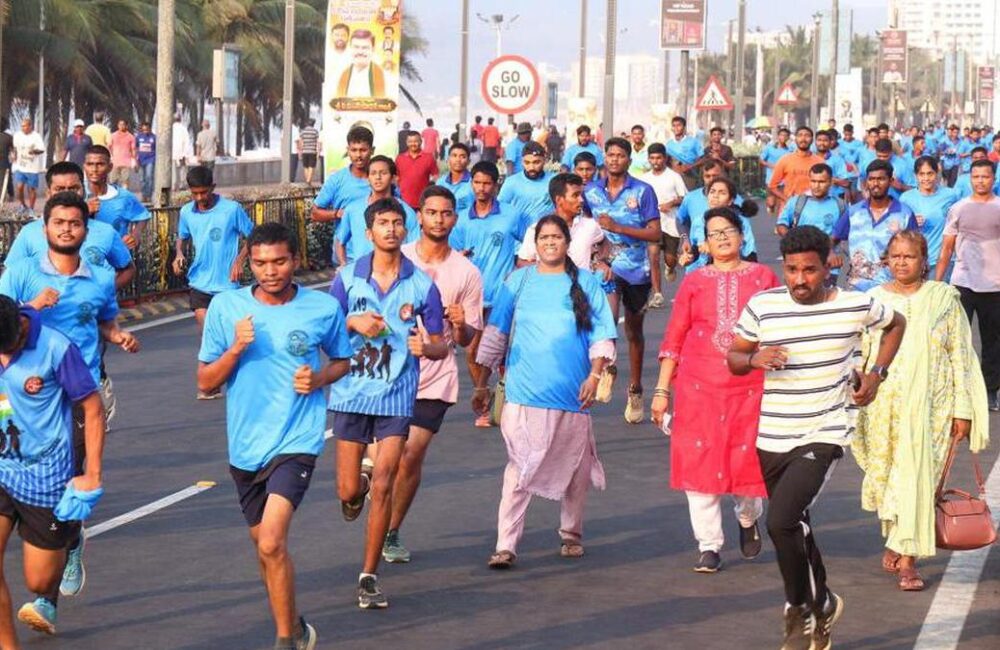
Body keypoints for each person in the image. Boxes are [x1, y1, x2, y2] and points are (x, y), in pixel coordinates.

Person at [728, 225, 905, 650]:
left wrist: (876, 375)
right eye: (792, 270)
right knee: (797, 526)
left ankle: (799, 611)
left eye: (810, 270)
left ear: (828, 266)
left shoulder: (855, 304)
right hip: (772, 433)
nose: (800, 280)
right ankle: (824, 602)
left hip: (824, 431)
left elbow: (896, 323)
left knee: (781, 520)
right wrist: (754, 358)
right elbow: (734, 357)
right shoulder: (763, 306)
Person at [198, 222, 351, 649]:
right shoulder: (226, 309)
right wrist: (235, 348)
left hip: (297, 440)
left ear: (295, 260)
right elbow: (206, 381)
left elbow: (342, 361)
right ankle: (297, 626)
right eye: (261, 263)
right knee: (265, 551)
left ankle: (286, 641)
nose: (270, 271)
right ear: (249, 262)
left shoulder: (321, 308)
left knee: (271, 541)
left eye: (280, 261)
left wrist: (319, 378)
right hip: (246, 445)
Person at [0, 192, 138, 614]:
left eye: (74, 223)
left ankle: (61, 554)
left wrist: (117, 336)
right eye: (58, 222)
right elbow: (4, 316)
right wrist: (33, 306)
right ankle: (60, 538)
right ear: (45, 229)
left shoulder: (98, 277)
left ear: (85, 229)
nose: (66, 229)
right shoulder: (21, 271)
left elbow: (103, 320)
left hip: (80, 391)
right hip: (27, 390)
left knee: (72, 477)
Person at [472, 215, 617, 568]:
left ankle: (572, 533)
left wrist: (595, 377)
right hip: (522, 394)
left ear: (568, 242)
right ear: (534, 244)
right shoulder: (517, 282)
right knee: (520, 468)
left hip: (573, 394)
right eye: (543, 237)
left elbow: (602, 334)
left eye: (556, 237)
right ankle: (506, 545)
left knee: (576, 469)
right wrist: (481, 383)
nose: (550, 243)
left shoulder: (587, 283)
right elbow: (496, 334)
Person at [853, 231, 989, 592]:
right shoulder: (873, 300)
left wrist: (964, 408)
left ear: (923, 261)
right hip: (885, 406)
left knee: (919, 477)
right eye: (895, 256)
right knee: (889, 475)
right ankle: (898, 539)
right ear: (886, 260)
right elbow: (860, 350)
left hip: (935, 406)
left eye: (908, 257)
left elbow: (960, 354)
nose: (901, 262)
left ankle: (909, 559)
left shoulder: (943, 298)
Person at [327, 197, 446, 609]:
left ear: (405, 230)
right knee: (348, 489)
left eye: (398, 223)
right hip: (350, 394)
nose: (391, 229)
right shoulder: (347, 278)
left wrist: (426, 347)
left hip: (396, 398)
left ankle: (369, 574)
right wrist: (349, 322)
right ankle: (352, 489)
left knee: (384, 483)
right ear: (369, 232)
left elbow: (440, 343)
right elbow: (325, 333)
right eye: (383, 223)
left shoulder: (423, 285)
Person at [652, 207, 779, 572]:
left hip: (750, 386)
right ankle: (708, 544)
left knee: (747, 461)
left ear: (742, 236)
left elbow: (779, 331)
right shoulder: (694, 281)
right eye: (713, 233)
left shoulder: (763, 277)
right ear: (705, 242)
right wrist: (662, 391)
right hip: (698, 388)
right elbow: (674, 337)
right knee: (699, 462)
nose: (721, 238)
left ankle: (747, 516)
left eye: (728, 231)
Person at [383, 186, 484, 563]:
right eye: (431, 213)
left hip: (436, 375)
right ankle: (374, 506)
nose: (438, 220)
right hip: (388, 373)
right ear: (419, 217)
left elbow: (470, 335)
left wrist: (459, 326)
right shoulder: (397, 258)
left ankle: (391, 532)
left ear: (454, 219)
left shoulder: (467, 272)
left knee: (411, 454)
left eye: (445, 213)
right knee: (383, 461)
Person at [0, 294, 106, 642]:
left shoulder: (56, 348)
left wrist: (92, 473)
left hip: (46, 477)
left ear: (20, 325)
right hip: (3, 469)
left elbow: (92, 408)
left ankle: (71, 536)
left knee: (39, 582)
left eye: (9, 349)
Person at [583, 137, 660, 424]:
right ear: (605, 158)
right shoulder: (591, 192)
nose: (615, 159)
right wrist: (597, 254)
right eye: (610, 154)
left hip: (637, 268)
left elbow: (654, 234)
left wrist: (618, 227)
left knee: (634, 332)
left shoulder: (642, 191)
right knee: (607, 318)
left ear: (629, 159)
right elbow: (589, 228)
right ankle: (608, 367)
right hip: (607, 267)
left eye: (620, 155)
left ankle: (636, 388)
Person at [450, 161, 525, 427]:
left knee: (504, 353)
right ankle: (485, 397)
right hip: (471, 296)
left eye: (487, 183)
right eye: (477, 183)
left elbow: (529, 243)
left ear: (496, 185)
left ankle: (510, 401)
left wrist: (518, 268)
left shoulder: (512, 215)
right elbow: (453, 256)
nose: (481, 188)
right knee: (472, 352)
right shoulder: (460, 220)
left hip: (503, 295)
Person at [4, 162, 135, 290]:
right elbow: (9, 274)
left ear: (83, 190)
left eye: (73, 188)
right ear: (48, 193)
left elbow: (127, 269)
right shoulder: (29, 233)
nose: (67, 194)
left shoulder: (106, 232)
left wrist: (103, 294)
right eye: (59, 189)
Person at [935, 158, 1000, 411]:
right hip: (962, 282)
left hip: (995, 285)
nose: (980, 181)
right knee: (959, 339)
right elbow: (946, 249)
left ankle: (990, 391)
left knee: (992, 342)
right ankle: (958, 391)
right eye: (976, 177)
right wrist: (936, 285)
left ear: (993, 178)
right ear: (969, 178)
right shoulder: (959, 208)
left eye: (985, 176)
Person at [172, 165, 253, 347]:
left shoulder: (232, 210)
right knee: (208, 334)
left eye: (204, 192)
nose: (200, 198)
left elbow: (253, 237)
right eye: (195, 194)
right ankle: (212, 371)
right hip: (199, 282)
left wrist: (239, 262)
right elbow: (182, 237)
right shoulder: (186, 212)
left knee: (230, 337)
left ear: (213, 187)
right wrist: (179, 254)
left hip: (227, 284)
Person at [832, 159, 918, 292]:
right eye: (871, 179)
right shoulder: (853, 212)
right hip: (856, 289)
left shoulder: (905, 213)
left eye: (881, 179)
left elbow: (917, 249)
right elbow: (833, 239)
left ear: (891, 181)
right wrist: (830, 253)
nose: (875, 184)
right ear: (866, 182)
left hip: (892, 289)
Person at [334, 155, 418, 265]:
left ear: (393, 178)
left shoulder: (406, 212)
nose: (378, 177)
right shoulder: (353, 209)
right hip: (361, 275)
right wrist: (343, 264)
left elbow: (415, 247)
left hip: (395, 274)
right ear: (368, 179)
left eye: (383, 173)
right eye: (373, 173)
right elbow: (340, 240)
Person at [517, 173, 606, 271]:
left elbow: (605, 241)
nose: (581, 200)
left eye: (581, 195)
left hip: (582, 285)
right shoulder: (536, 229)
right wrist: (548, 267)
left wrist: (600, 261)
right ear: (559, 200)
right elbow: (521, 262)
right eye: (575, 195)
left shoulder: (590, 225)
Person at [677, 163, 757, 271]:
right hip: (702, 274)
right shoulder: (698, 221)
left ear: (730, 200)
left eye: (722, 193)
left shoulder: (740, 221)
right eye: (712, 192)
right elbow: (696, 250)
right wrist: (688, 258)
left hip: (732, 272)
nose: (715, 196)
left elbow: (750, 254)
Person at [83, 145, 151, 247]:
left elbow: (143, 216)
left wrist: (135, 235)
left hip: (115, 259)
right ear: (84, 166)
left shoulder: (124, 197)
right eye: (90, 164)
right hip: (82, 259)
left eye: (100, 164)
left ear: (110, 167)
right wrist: (84, 211)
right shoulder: (75, 193)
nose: (94, 169)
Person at [900, 156, 958, 273]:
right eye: (922, 174)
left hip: (944, 259)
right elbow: (898, 229)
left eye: (930, 173)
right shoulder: (906, 198)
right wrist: (910, 222)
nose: (926, 178)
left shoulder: (951, 195)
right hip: (916, 260)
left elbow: (959, 224)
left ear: (937, 173)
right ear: (916, 175)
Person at [641, 143, 687, 290]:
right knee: (653, 256)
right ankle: (657, 293)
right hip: (652, 224)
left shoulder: (674, 177)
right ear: (648, 159)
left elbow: (684, 197)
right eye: (652, 158)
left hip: (671, 224)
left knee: (670, 259)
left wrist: (671, 203)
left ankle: (670, 267)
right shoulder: (644, 179)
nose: (656, 161)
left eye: (659, 158)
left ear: (665, 158)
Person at [311, 125, 375, 230]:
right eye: (354, 150)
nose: (358, 155)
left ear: (372, 150)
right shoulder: (336, 179)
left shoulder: (381, 180)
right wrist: (337, 214)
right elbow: (315, 213)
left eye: (363, 150)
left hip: (377, 246)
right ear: (348, 150)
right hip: (344, 245)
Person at [776, 164, 847, 241]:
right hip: (800, 251)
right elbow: (781, 225)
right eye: (813, 181)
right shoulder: (796, 202)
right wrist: (794, 241)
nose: (816, 186)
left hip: (829, 251)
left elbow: (846, 231)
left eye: (821, 182)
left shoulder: (841, 205)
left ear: (830, 182)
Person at [498, 141, 555, 226]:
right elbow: (500, 209)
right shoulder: (512, 182)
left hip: (547, 233)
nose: (531, 167)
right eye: (527, 162)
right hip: (521, 235)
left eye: (536, 162)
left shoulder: (554, 180)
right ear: (522, 161)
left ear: (545, 160)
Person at [769, 126, 825, 206]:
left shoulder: (820, 162)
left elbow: (826, 186)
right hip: (788, 209)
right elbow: (772, 186)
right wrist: (787, 200)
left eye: (807, 135)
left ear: (812, 140)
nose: (803, 138)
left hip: (812, 208)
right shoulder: (785, 160)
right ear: (795, 139)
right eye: (800, 135)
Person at [337, 29, 388, 98]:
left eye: (365, 48)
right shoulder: (343, 74)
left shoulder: (384, 75)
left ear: (373, 49)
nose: (360, 52)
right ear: (350, 48)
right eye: (356, 47)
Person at [395, 131, 438, 210]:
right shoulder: (400, 158)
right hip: (404, 202)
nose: (413, 144)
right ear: (406, 143)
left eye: (415, 141)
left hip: (423, 202)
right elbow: (396, 177)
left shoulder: (429, 158)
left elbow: (435, 175)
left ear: (421, 142)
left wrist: (430, 188)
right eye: (410, 142)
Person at [12, 118, 46, 212]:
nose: (23, 128)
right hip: (20, 166)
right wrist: (14, 156)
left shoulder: (36, 136)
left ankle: (31, 209)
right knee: (19, 187)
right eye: (22, 126)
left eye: (25, 126)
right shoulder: (17, 135)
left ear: (30, 126)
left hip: (32, 168)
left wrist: (34, 151)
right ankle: (22, 205)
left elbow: (42, 149)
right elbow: (15, 148)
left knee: (31, 189)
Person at [665, 116, 704, 189]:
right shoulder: (668, 144)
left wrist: (690, 166)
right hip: (674, 175)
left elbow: (703, 159)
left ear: (684, 127)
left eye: (679, 125)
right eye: (674, 125)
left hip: (690, 175)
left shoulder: (693, 142)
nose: (676, 128)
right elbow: (667, 160)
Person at [761, 127, 792, 214]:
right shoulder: (769, 148)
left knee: (781, 202)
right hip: (771, 179)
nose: (783, 137)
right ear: (778, 136)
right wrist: (771, 165)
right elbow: (761, 160)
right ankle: (770, 206)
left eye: (786, 136)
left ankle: (779, 219)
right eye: (782, 135)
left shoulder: (789, 150)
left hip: (784, 181)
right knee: (771, 203)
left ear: (788, 138)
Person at [435, 142, 474, 213]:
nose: (458, 160)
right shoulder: (440, 182)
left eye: (463, 156)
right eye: (454, 155)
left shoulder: (475, 183)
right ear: (448, 159)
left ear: (468, 161)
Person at [108, 120, 136, 188]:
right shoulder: (113, 135)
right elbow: (109, 147)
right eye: (120, 124)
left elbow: (133, 150)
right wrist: (111, 157)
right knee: (113, 181)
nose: (121, 126)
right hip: (115, 163)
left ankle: (124, 196)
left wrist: (134, 161)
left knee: (125, 181)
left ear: (127, 126)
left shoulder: (131, 137)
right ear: (118, 126)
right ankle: (114, 196)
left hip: (126, 163)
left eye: (123, 125)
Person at [134, 122, 156, 203]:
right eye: (143, 130)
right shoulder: (138, 137)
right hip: (140, 160)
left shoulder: (154, 137)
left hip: (150, 160)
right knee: (142, 179)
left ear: (149, 129)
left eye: (146, 130)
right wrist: (136, 160)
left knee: (149, 178)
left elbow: (157, 149)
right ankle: (144, 195)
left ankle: (149, 196)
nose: (145, 131)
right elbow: (135, 149)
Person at [171, 115, 192, 191]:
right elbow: (187, 142)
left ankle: (173, 186)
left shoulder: (170, 128)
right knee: (182, 171)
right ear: (180, 119)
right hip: (181, 153)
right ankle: (182, 185)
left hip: (173, 154)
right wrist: (186, 154)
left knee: (173, 171)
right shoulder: (183, 128)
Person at [297, 119, 320, 185]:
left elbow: (301, 142)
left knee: (305, 166)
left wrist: (300, 151)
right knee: (311, 166)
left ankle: (308, 180)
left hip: (305, 151)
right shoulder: (315, 132)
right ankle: (308, 180)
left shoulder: (303, 131)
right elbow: (318, 142)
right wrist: (318, 151)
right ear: (313, 124)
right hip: (312, 151)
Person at [0, 117, 12, 201]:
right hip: (4, 162)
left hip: (4, 162)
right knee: (6, 179)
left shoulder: (8, 137)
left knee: (4, 180)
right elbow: (13, 149)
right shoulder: (9, 137)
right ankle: (11, 195)